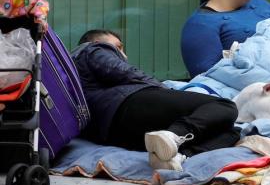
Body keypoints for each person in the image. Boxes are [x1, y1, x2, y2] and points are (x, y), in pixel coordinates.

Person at [71, 29, 240, 171]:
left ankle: (175, 156)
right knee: (225, 106)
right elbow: (123, 71)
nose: (124, 55)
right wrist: (162, 89)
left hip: (115, 133)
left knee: (231, 132)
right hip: (128, 104)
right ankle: (175, 135)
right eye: (118, 47)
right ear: (95, 42)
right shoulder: (90, 49)